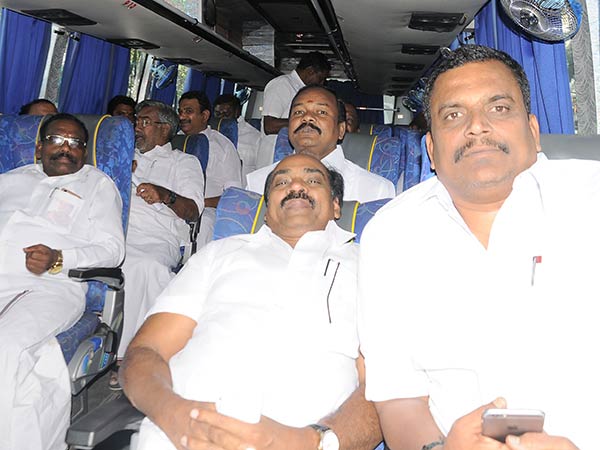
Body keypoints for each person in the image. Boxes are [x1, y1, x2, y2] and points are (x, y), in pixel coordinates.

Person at [358, 44, 599, 450]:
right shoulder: (391, 234)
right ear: (431, 150)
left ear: (533, 131)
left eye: (499, 108)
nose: (477, 127)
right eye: (453, 115)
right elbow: (398, 397)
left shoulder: (592, 198)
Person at [121, 153, 381, 450]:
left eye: (312, 180)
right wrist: (172, 413)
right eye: (282, 182)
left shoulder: (369, 267)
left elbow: (384, 386)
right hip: (179, 437)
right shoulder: (218, 254)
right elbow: (147, 350)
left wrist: (312, 441)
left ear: (336, 205)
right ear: (267, 210)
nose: (296, 186)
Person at [0, 113, 125, 450]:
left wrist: (59, 257)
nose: (66, 148)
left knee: (6, 345)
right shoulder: (9, 180)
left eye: (76, 143)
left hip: (49, 285)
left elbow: (113, 249)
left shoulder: (97, 185)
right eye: (57, 140)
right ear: (39, 147)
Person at [115, 100, 205, 387]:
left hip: (155, 234)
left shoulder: (183, 162)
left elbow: (193, 211)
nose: (136, 127)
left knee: (142, 265)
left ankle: (128, 357)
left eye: (144, 121)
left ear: (165, 128)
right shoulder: (119, 154)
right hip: (112, 226)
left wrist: (165, 195)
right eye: (136, 121)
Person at [247, 85, 396, 203]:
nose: (307, 118)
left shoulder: (375, 191)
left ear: (341, 130)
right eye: (298, 112)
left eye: (321, 112)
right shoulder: (257, 183)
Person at [178, 90, 242, 247]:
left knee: (204, 224)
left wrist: (196, 204)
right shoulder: (173, 140)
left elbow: (233, 195)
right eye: (180, 111)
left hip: (207, 209)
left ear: (205, 115)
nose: (182, 116)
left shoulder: (223, 146)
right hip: (170, 204)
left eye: (188, 111)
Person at [256, 51, 332, 169]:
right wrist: (307, 123)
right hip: (272, 159)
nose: (321, 83)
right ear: (310, 71)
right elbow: (269, 126)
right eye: (321, 78)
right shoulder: (282, 85)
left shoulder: (303, 90)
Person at [213, 93, 261, 180]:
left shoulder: (255, 137)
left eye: (226, 113)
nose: (221, 117)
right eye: (218, 114)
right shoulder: (210, 133)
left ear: (237, 112)